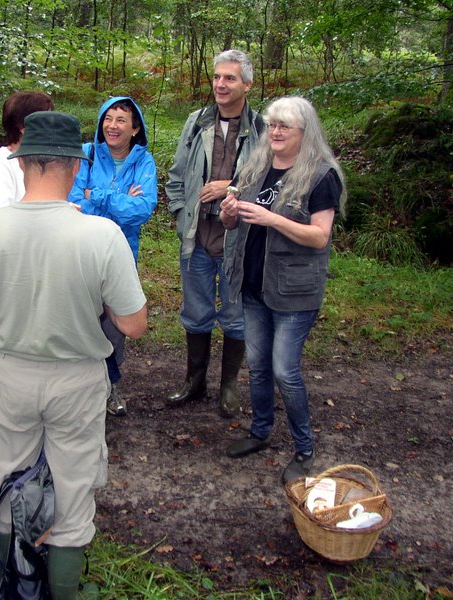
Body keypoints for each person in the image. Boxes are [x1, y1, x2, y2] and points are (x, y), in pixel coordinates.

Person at [0, 111, 147, 599]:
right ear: (76, 162)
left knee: (4, 475)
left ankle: (5, 584)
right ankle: (63, 590)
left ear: (20, 163)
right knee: (73, 483)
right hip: (77, 380)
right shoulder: (100, 235)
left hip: (10, 372)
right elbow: (133, 324)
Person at [220, 96, 346, 484]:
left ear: (304, 133)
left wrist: (271, 218)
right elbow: (234, 222)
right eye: (272, 124)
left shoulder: (322, 176)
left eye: (284, 126)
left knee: (284, 371)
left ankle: (304, 449)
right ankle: (259, 432)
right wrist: (228, 214)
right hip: (254, 285)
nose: (274, 132)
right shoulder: (256, 167)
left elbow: (319, 237)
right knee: (257, 366)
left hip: (294, 292)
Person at [165, 49, 264, 418]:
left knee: (237, 316)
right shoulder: (195, 123)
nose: (220, 84)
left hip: (240, 243)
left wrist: (232, 186)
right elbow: (176, 179)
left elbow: (273, 186)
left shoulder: (263, 130)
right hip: (197, 241)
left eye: (230, 78)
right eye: (217, 77)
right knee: (195, 312)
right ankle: (194, 383)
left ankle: (229, 387)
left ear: (247, 85)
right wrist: (180, 217)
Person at [68, 96, 157, 416]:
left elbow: (143, 209)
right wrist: (119, 199)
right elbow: (75, 199)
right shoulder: (86, 154)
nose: (112, 126)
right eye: (108, 118)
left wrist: (100, 196)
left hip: (121, 252)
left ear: (135, 129)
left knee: (116, 322)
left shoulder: (144, 163)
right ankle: (79, 384)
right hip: (83, 247)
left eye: (122, 120)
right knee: (81, 316)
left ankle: (110, 384)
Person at [0, 91, 54, 209]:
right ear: (23, 127)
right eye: (47, 121)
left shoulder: (41, 160)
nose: (52, 126)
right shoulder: (0, 165)